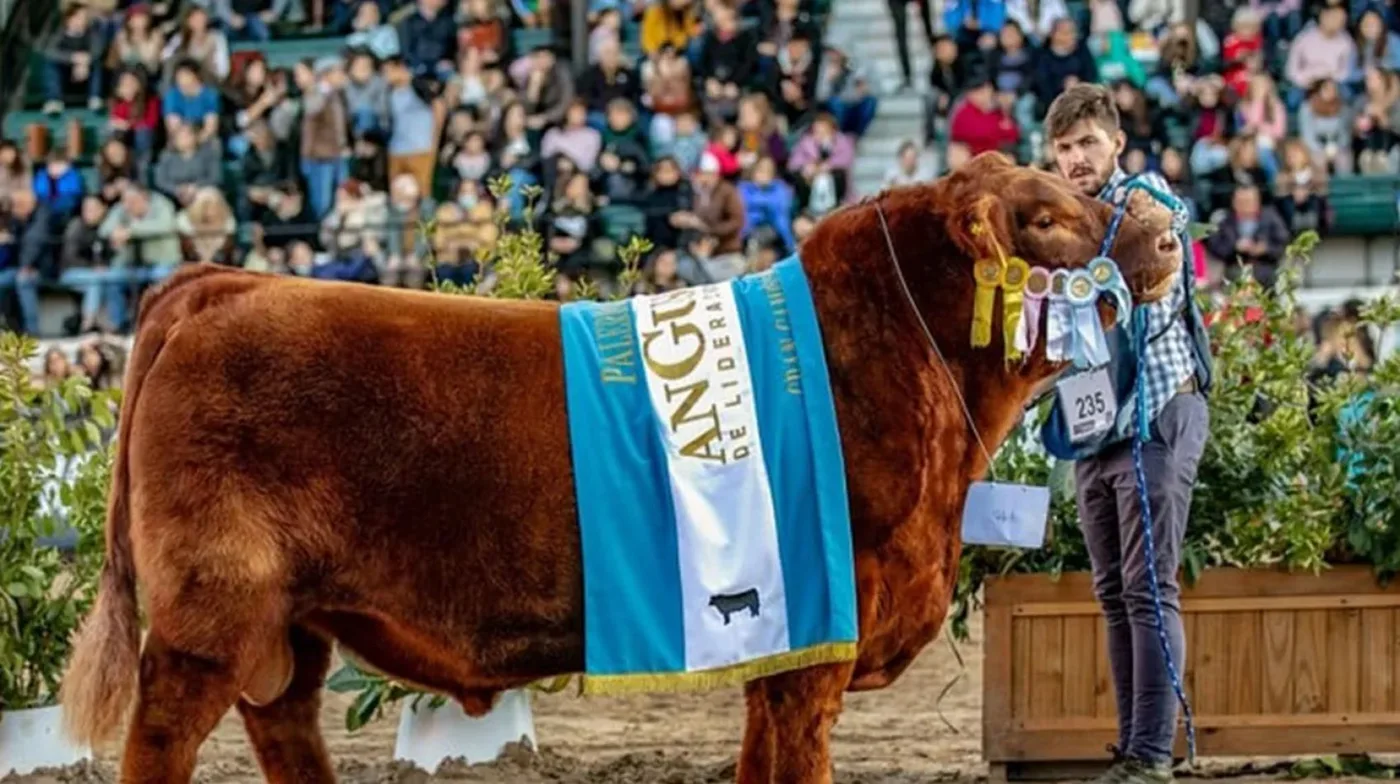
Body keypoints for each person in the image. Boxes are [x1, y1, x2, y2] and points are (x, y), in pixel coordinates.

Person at [1043, 83, 1214, 784]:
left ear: (1115, 141)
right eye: (1064, 148)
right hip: (1095, 428)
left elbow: (1167, 220)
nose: (1077, 157)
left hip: (1157, 411)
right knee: (1113, 589)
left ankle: (1150, 756)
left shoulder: (1139, 195)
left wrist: (1160, 227)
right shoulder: (1060, 221)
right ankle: (1132, 745)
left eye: (1087, 142)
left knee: (1148, 587)